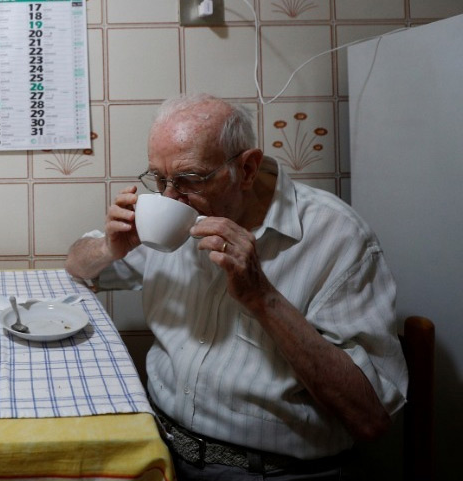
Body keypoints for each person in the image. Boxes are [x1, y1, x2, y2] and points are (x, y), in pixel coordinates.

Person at [65, 94, 408, 480]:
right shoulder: (170, 218)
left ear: (247, 169)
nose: (170, 197)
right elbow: (77, 266)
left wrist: (262, 297)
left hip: (272, 471)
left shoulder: (338, 236)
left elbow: (370, 419)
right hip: (160, 446)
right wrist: (109, 248)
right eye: (159, 179)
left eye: (190, 179)